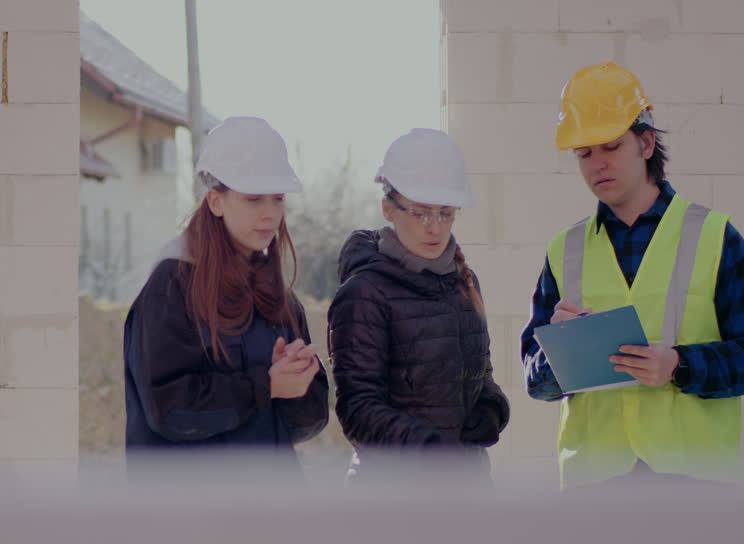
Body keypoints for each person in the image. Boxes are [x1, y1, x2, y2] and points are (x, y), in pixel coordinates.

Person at [521, 62, 744, 489]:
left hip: (693, 486)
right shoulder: (564, 251)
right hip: (596, 489)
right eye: (584, 153)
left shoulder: (714, 236)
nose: (596, 165)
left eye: (610, 146)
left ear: (646, 143)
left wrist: (681, 364)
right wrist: (558, 354)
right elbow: (535, 380)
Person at [122, 116, 329, 479]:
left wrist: (299, 384)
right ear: (216, 201)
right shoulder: (170, 288)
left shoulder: (277, 295)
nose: (270, 214)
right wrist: (267, 385)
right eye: (253, 199)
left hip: (270, 512)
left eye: (277, 199)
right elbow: (169, 410)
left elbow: (303, 425)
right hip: (192, 518)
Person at [327, 128, 509, 484]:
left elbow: (480, 375)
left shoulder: (465, 282)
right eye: (421, 213)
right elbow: (358, 408)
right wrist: (429, 449)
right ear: (388, 208)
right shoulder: (364, 292)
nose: (434, 227)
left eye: (445, 213)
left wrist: (492, 408)